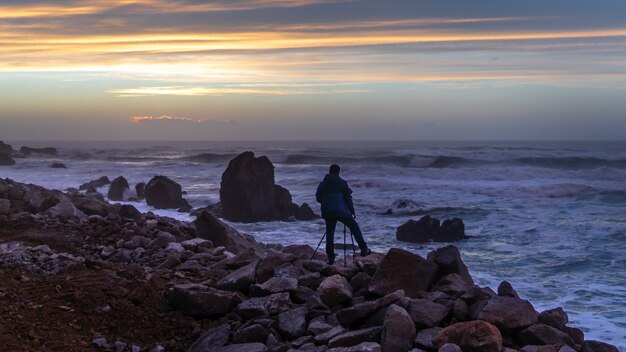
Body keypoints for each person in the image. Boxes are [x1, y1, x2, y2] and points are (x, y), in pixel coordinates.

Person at [316, 164, 370, 264]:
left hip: (328, 211)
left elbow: (318, 198)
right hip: (341, 211)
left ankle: (331, 257)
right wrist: (352, 211)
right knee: (354, 227)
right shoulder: (342, 183)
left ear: (329, 171)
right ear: (338, 172)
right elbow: (348, 198)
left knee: (330, 233)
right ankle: (363, 248)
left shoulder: (322, 184)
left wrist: (327, 202)